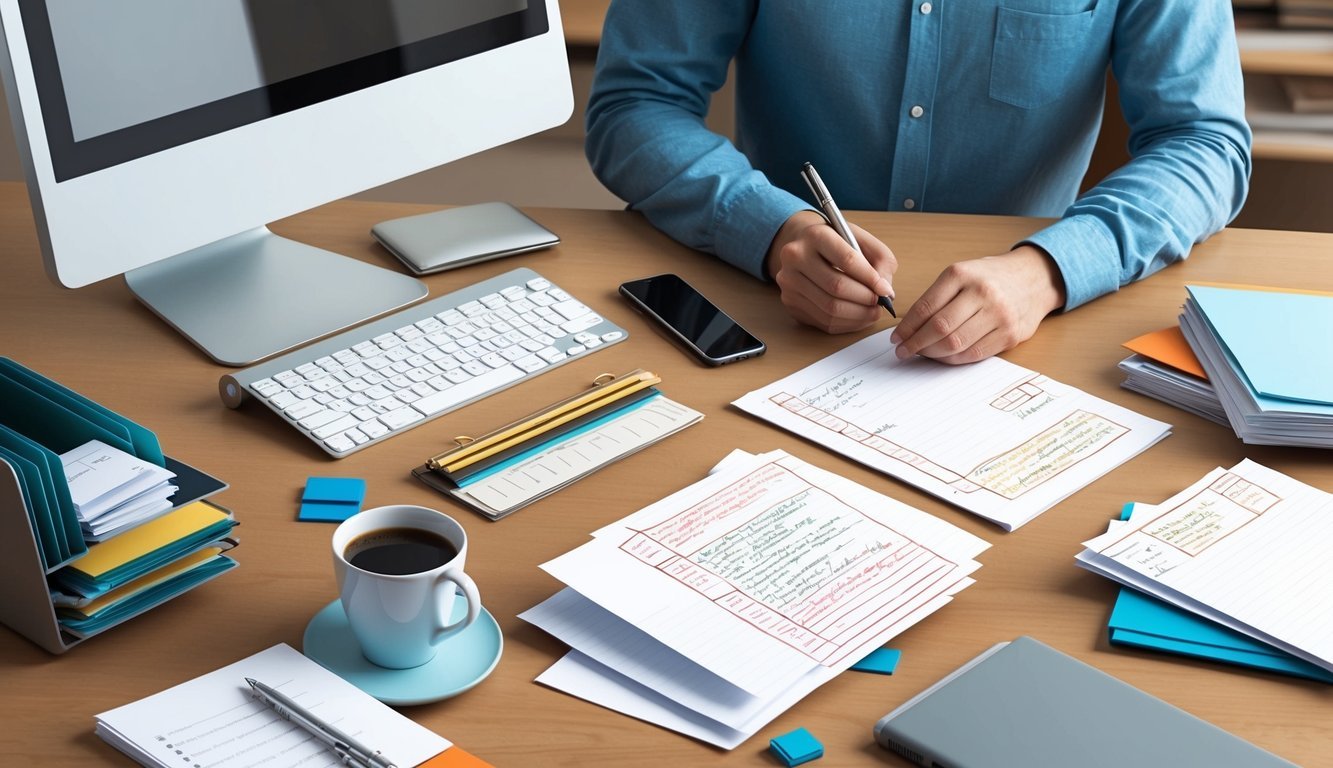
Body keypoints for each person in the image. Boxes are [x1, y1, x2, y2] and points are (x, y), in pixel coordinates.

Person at [584, 1, 1251, 364]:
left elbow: (1204, 143)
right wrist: (772, 231)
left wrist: (1048, 271)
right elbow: (636, 105)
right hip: (777, 322)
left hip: (1036, 334)